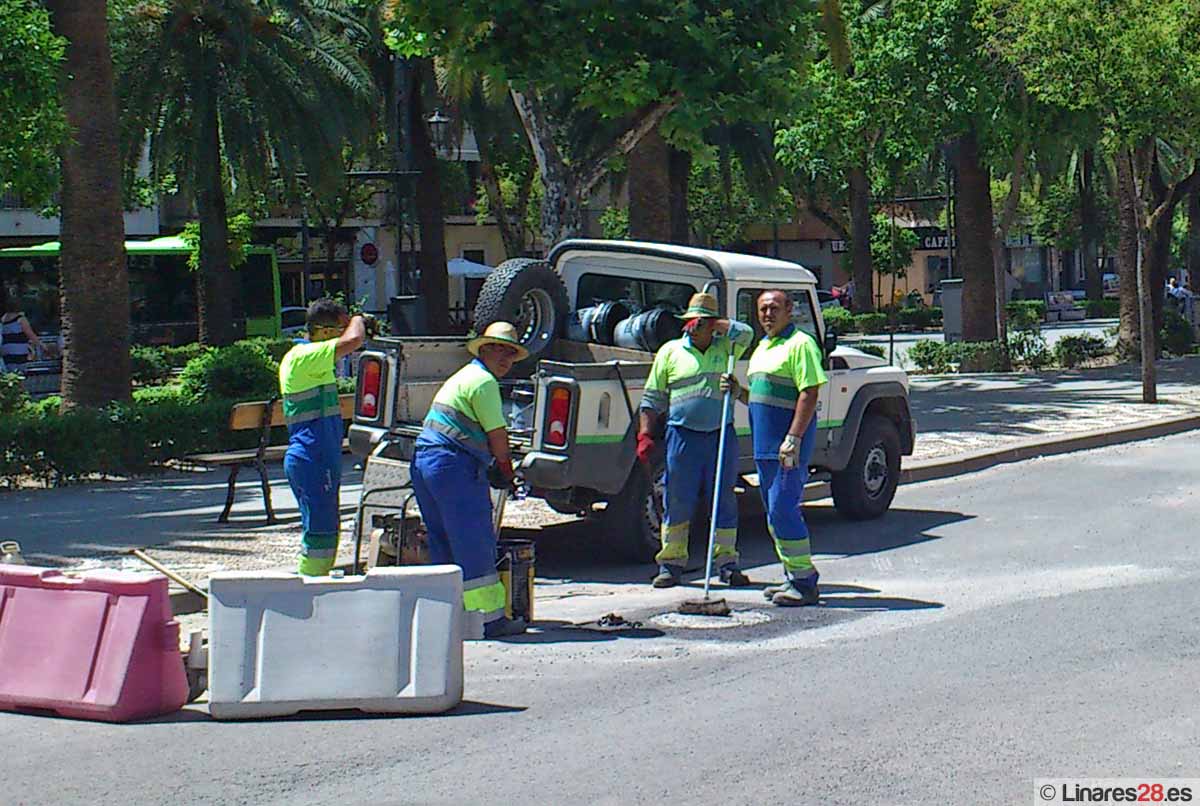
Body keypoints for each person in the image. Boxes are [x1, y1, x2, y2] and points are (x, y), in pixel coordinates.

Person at [410, 321, 526, 637]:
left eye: (511, 353)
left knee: (442, 540)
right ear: (484, 349)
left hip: (425, 461)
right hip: (452, 466)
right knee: (473, 540)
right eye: (499, 350)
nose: (505, 358)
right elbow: (498, 436)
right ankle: (490, 620)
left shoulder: (464, 376)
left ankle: (449, 618)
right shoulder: (484, 383)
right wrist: (505, 470)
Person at [638, 291, 754, 589]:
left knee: (723, 499)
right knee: (677, 497)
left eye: (701, 321)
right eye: (691, 321)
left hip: (719, 434)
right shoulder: (670, 352)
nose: (694, 326)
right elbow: (652, 398)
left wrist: (721, 326)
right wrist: (646, 434)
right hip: (682, 435)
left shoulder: (726, 347)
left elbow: (748, 334)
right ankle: (671, 564)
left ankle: (726, 563)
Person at [721, 290, 828, 606]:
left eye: (774, 308)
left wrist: (793, 438)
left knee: (783, 509)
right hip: (765, 449)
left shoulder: (801, 344)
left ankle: (805, 581)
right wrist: (740, 392)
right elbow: (760, 396)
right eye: (763, 309)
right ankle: (791, 576)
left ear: (789, 310)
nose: (768, 314)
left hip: (786, 449)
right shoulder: (763, 347)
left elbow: (809, 393)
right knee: (773, 513)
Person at [278, 299, 368, 576]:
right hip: (312, 457)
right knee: (321, 534)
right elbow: (355, 339)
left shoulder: (310, 359)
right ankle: (310, 589)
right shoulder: (305, 357)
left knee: (324, 530)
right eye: (338, 329)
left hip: (315, 456)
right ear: (325, 332)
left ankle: (312, 585)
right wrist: (358, 319)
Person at [1, 288, 50, 370]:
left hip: (6, 349)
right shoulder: (20, 319)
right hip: (18, 349)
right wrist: (42, 345)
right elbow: (30, 334)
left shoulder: (3, 319)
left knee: (10, 372)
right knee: (20, 371)